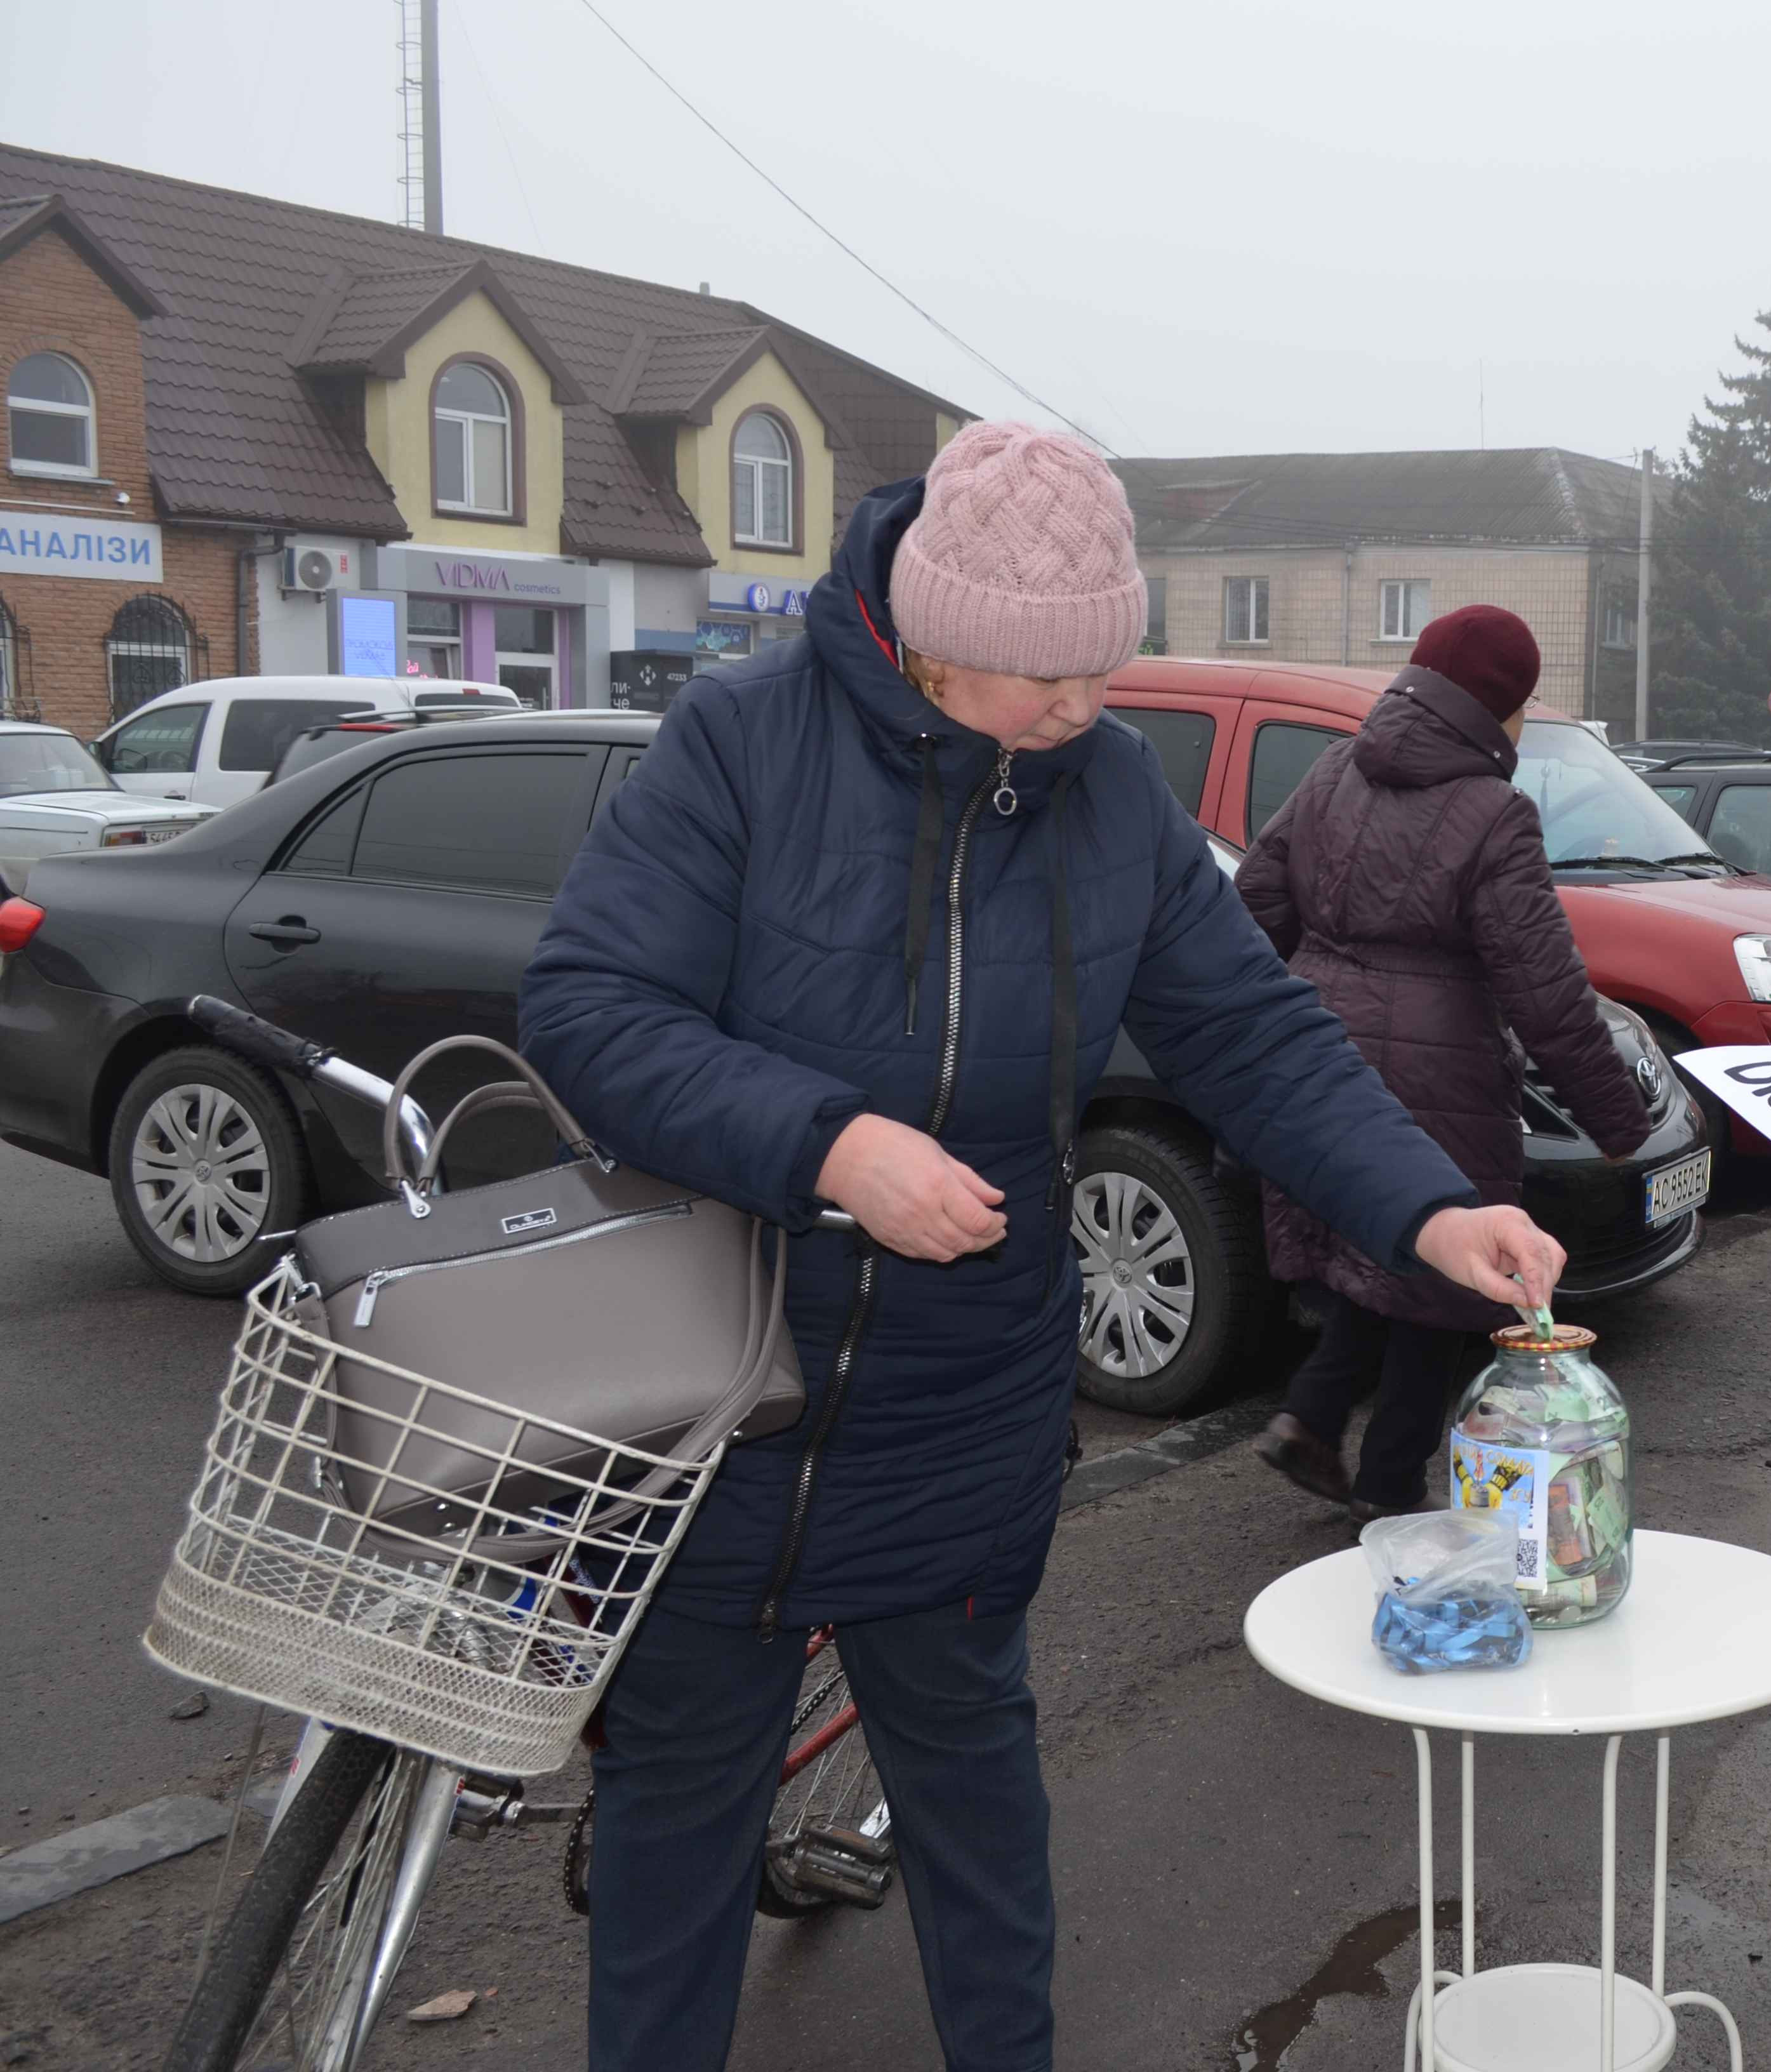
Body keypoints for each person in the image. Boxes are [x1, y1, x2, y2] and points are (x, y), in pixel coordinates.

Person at [520, 422, 1569, 2072]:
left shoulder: (1110, 804)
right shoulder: (744, 744)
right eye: (1045, 679)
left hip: (961, 1412)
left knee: (979, 1813)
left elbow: (1257, 1038)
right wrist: (832, 1148)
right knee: (678, 1827)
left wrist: (1430, 1204)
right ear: (930, 635)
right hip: (716, 1410)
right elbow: (588, 1006)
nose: (1085, 708)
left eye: (1104, 668)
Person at [1243, 606, 1652, 1519]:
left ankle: (1310, 1418)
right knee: (1451, 1291)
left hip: (1322, 1056)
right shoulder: (1494, 813)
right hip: (1440, 1078)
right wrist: (1618, 1120)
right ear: (1500, 712)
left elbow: (1254, 907)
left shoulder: (1332, 769)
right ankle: (1391, 1497)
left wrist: (1271, 1023)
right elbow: (1546, 993)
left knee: (1379, 1248)